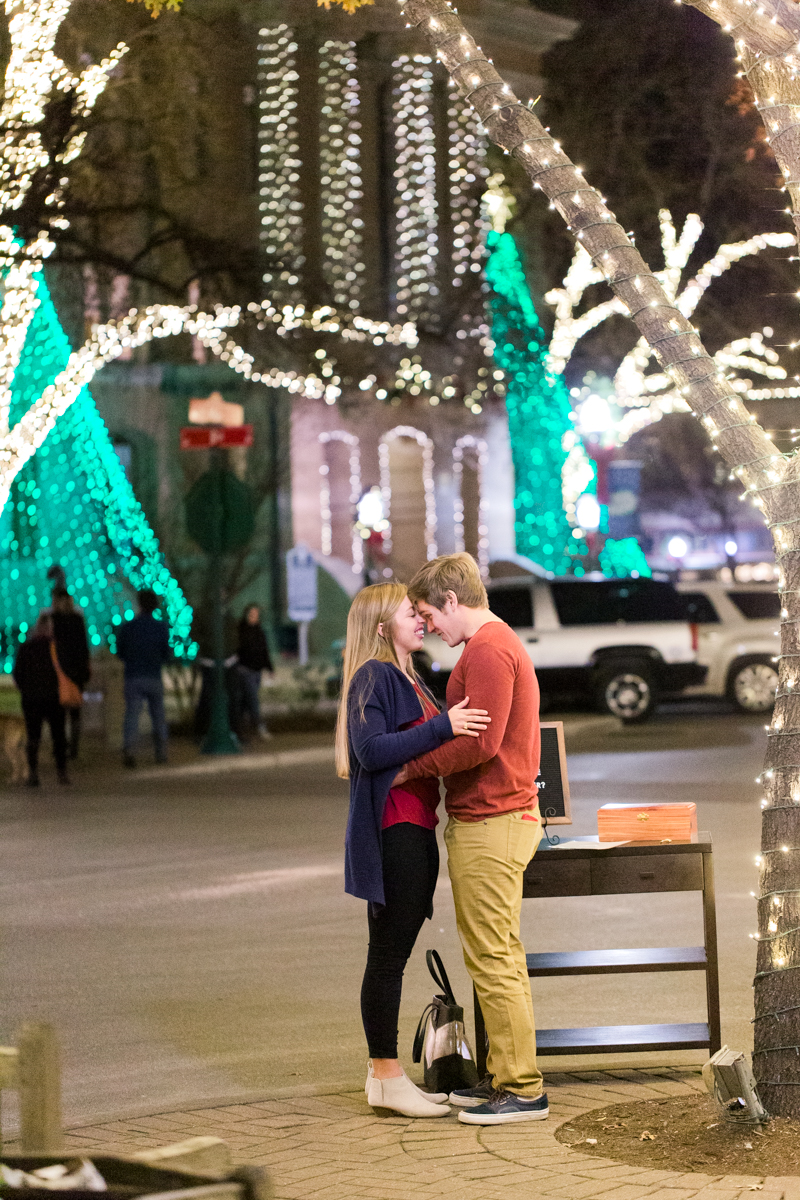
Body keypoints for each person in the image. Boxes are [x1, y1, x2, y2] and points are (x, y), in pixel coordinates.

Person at [398, 551, 547, 1126]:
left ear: (452, 601)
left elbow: (479, 742)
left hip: (492, 820)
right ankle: (505, 1075)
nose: (428, 624)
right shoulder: (494, 645)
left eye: (428, 612)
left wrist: (411, 766)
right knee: (494, 955)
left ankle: (522, 1087)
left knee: (494, 957)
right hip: (498, 818)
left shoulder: (487, 649)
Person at [337, 582, 491, 1119]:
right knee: (387, 958)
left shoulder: (412, 677)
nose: (420, 619)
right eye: (410, 613)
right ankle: (385, 1074)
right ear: (382, 627)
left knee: (391, 954)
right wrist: (445, 725)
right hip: (393, 827)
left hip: (417, 827)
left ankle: (387, 1078)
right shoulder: (373, 676)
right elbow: (370, 750)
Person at [13, 613, 70, 786]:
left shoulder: (26, 648)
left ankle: (33, 773)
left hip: (31, 699)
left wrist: (26, 689)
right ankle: (61, 773)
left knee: (33, 737)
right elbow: (66, 672)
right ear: (50, 629)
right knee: (58, 736)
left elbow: (18, 674)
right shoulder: (57, 648)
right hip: (54, 697)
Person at [116, 589, 171, 768]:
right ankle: (161, 751)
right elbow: (166, 653)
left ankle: (130, 749)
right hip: (153, 674)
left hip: (134, 675)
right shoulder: (161, 628)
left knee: (132, 714)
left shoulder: (129, 627)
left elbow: (120, 651)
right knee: (158, 715)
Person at [50, 587, 90, 760]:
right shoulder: (75, 619)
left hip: (63, 672)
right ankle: (69, 746)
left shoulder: (57, 620)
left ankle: (66, 746)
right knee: (71, 711)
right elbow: (83, 646)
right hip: (72, 671)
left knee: (63, 711)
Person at [236, 605, 274, 740]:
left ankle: (238, 729)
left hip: (257, 670)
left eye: (256, 614)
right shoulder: (242, 631)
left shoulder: (259, 631)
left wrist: (270, 667)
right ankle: (259, 727)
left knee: (245, 702)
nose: (253, 616)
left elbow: (264, 650)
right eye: (251, 613)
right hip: (245, 670)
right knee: (252, 700)